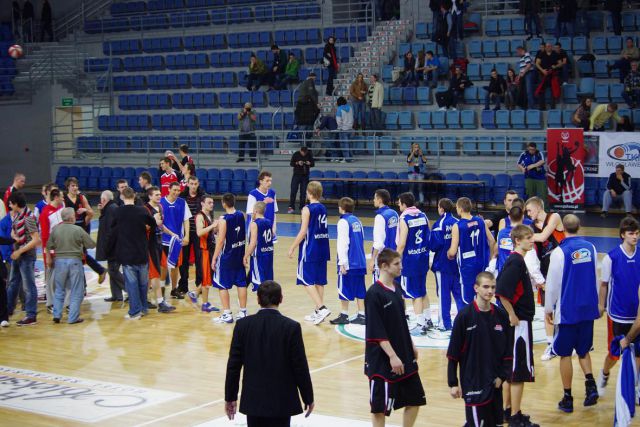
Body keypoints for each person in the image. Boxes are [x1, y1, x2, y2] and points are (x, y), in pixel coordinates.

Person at [224, 280, 314, 427]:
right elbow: (300, 366)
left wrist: (230, 397)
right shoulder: (291, 327)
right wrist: (308, 397)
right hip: (281, 401)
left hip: (254, 400)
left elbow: (233, 366)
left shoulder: (243, 325)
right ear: (281, 299)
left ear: (258, 299)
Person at [544, 214, 599, 413]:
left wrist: (548, 308)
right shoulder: (591, 248)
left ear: (562, 229)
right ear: (579, 226)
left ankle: (567, 398)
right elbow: (595, 276)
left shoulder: (559, 252)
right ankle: (591, 385)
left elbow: (552, 285)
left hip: (568, 311)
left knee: (564, 354)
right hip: (587, 308)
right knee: (584, 350)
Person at [365, 248, 426, 427]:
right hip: (382, 360)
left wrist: (411, 344)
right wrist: (392, 356)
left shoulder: (397, 288)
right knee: (379, 408)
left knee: (415, 399)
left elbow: (401, 321)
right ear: (384, 266)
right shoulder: (374, 294)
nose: (401, 267)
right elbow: (376, 330)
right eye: (397, 264)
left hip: (404, 353)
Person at [447, 272, 510, 427]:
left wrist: (502, 376)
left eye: (493, 287)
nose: (490, 291)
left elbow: (508, 351)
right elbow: (453, 354)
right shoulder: (464, 316)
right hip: (472, 383)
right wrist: (453, 383)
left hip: (494, 384)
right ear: (476, 288)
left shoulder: (501, 315)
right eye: (486, 287)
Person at [495, 224, 539, 427]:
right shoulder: (515, 262)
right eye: (528, 238)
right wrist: (512, 314)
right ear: (517, 241)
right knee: (518, 372)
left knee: (512, 370)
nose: (532, 241)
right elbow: (502, 292)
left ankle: (508, 411)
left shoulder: (517, 260)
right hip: (519, 322)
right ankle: (515, 416)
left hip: (520, 320)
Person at [597, 217, 640, 396]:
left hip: (636, 315)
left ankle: (635, 387)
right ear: (622, 235)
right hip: (616, 315)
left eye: (637, 233)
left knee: (638, 354)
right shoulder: (611, 257)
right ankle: (604, 374)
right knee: (615, 353)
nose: (635, 237)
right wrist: (601, 305)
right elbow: (604, 284)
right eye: (631, 233)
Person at [108, 188, 159, 320]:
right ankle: (143, 308)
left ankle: (135, 312)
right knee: (143, 284)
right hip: (142, 252)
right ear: (134, 196)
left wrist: (110, 250)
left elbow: (112, 232)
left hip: (127, 253)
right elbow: (153, 224)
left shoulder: (118, 212)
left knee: (132, 285)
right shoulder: (142, 210)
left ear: (122, 196)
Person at [287, 181, 331, 325]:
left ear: (309, 193)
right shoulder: (323, 207)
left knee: (305, 279)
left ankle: (322, 308)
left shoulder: (307, 209)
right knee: (319, 281)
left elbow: (303, 232)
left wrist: (292, 247)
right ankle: (318, 311)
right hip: (323, 247)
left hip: (310, 248)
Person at [46, 207, 96, 325]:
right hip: (74, 261)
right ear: (72, 217)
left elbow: (49, 246)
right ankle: (73, 318)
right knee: (77, 290)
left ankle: (57, 315)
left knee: (59, 289)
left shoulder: (56, 230)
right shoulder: (78, 229)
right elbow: (91, 244)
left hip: (59, 262)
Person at [396, 192, 433, 334]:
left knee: (414, 294)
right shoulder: (423, 216)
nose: (398, 205)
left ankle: (420, 324)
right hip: (423, 258)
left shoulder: (404, 218)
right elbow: (428, 236)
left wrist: (396, 260)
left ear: (404, 204)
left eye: (399, 202)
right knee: (422, 290)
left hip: (410, 260)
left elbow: (401, 244)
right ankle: (428, 319)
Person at [448, 197, 494, 306]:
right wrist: (490, 258)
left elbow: (453, 251)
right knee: (482, 294)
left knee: (467, 299)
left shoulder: (458, 226)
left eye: (457, 207)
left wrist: (448, 254)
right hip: (482, 263)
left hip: (467, 266)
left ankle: (471, 316)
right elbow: (492, 241)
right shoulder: (481, 221)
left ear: (460, 209)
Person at [329, 197, 366, 325]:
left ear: (341, 208)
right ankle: (362, 314)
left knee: (344, 287)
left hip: (349, 262)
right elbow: (362, 239)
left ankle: (344, 315)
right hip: (360, 261)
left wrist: (342, 263)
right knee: (360, 288)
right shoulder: (357, 221)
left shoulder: (343, 222)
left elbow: (343, 243)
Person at [212, 193, 247, 324]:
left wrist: (214, 258)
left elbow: (220, 241)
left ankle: (227, 314)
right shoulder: (241, 215)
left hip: (227, 256)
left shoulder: (224, 220)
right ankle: (243, 312)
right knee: (241, 283)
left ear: (223, 204)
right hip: (239, 254)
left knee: (222, 284)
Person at [6, 191, 40, 326]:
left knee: (28, 286)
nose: (9, 206)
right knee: (13, 283)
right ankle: (7, 310)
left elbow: (35, 240)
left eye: (10, 203)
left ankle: (31, 315)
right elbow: (13, 231)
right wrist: (14, 236)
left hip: (26, 256)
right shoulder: (16, 215)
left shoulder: (28, 218)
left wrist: (19, 251)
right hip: (18, 254)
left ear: (15, 204)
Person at [64, 177, 106, 282]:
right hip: (69, 230)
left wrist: (85, 211)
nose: (75, 188)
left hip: (81, 229)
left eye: (76, 185)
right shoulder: (64, 199)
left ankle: (86, 281)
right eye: (73, 186)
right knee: (79, 255)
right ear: (68, 187)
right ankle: (100, 270)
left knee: (80, 254)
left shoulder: (81, 197)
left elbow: (91, 213)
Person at [429, 198, 462, 331]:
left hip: (442, 264)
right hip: (457, 264)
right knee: (458, 294)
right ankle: (464, 322)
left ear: (441, 208)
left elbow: (433, 246)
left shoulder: (439, 224)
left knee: (444, 295)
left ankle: (445, 323)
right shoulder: (458, 222)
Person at [144, 186, 175, 313]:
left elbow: (161, 226)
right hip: (149, 245)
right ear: (150, 196)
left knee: (159, 270)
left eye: (159, 194)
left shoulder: (160, 207)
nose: (159, 196)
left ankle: (145, 298)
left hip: (158, 243)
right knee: (155, 274)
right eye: (156, 195)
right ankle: (161, 302)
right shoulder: (145, 209)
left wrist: (172, 233)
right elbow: (143, 228)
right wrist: (153, 223)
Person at [160, 182, 191, 300]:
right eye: (175, 190)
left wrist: (187, 236)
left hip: (177, 241)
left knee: (175, 266)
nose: (177, 192)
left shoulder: (182, 202)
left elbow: (186, 220)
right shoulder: (161, 202)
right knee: (163, 266)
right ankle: (161, 289)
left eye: (178, 190)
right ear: (169, 189)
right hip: (164, 240)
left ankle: (174, 289)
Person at [190, 194, 219, 313]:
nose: (212, 204)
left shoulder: (209, 215)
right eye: (209, 202)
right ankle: (205, 304)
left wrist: (216, 228)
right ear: (202, 203)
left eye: (212, 203)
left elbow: (211, 232)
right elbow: (199, 232)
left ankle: (194, 293)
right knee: (206, 279)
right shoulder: (199, 216)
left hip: (210, 249)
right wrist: (213, 225)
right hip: (203, 251)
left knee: (209, 277)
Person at [178, 175, 205, 296]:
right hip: (185, 232)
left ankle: (199, 285)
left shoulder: (203, 197)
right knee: (184, 260)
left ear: (198, 184)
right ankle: (183, 285)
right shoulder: (182, 197)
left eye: (195, 184)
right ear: (188, 184)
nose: (193, 186)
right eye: (191, 184)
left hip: (199, 233)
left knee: (199, 260)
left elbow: (207, 213)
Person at [97, 190, 125, 303]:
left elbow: (110, 231)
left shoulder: (111, 209)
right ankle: (116, 295)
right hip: (113, 245)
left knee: (113, 270)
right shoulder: (110, 208)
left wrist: (108, 246)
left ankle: (131, 290)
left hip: (114, 246)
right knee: (112, 269)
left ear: (104, 199)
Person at [39, 188, 64, 310]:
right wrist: (48, 255)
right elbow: (44, 237)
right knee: (51, 278)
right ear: (56, 197)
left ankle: (61, 302)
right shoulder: (45, 213)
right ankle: (50, 303)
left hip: (61, 249)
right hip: (50, 251)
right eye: (62, 196)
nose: (63, 198)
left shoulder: (61, 209)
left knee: (61, 277)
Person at [368, 189, 398, 283]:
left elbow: (378, 242)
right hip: (394, 255)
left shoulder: (380, 217)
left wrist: (373, 259)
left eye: (375, 198)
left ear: (380, 200)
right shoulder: (394, 213)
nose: (373, 200)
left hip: (383, 257)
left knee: (379, 286)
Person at [244, 201, 273, 292]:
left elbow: (253, 243)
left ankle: (263, 301)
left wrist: (245, 256)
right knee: (267, 282)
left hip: (258, 256)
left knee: (260, 285)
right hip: (269, 254)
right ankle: (243, 289)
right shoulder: (269, 222)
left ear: (256, 211)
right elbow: (272, 235)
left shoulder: (254, 224)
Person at [535, 43, 561, 110]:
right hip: (543, 74)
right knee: (541, 91)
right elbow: (537, 63)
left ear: (551, 47)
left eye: (549, 46)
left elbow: (560, 63)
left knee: (553, 91)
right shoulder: (541, 54)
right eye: (547, 46)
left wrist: (555, 66)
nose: (548, 47)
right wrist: (542, 70)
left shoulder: (555, 54)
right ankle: (542, 107)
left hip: (552, 74)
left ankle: (552, 108)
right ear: (545, 47)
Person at [288, 147, 314, 214]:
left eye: (305, 153)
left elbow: (313, 164)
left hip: (305, 176)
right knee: (293, 191)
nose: (304, 154)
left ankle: (302, 207)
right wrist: (297, 163)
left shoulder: (309, 154)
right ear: (300, 151)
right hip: (296, 175)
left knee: (303, 192)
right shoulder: (296, 154)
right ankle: (291, 207)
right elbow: (291, 163)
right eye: (303, 152)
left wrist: (309, 163)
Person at [335, 96, 354, 162]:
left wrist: (339, 128)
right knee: (350, 144)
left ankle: (347, 159)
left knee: (344, 145)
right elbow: (352, 117)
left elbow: (339, 121)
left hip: (343, 129)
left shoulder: (339, 109)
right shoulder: (350, 108)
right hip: (350, 128)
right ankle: (351, 158)